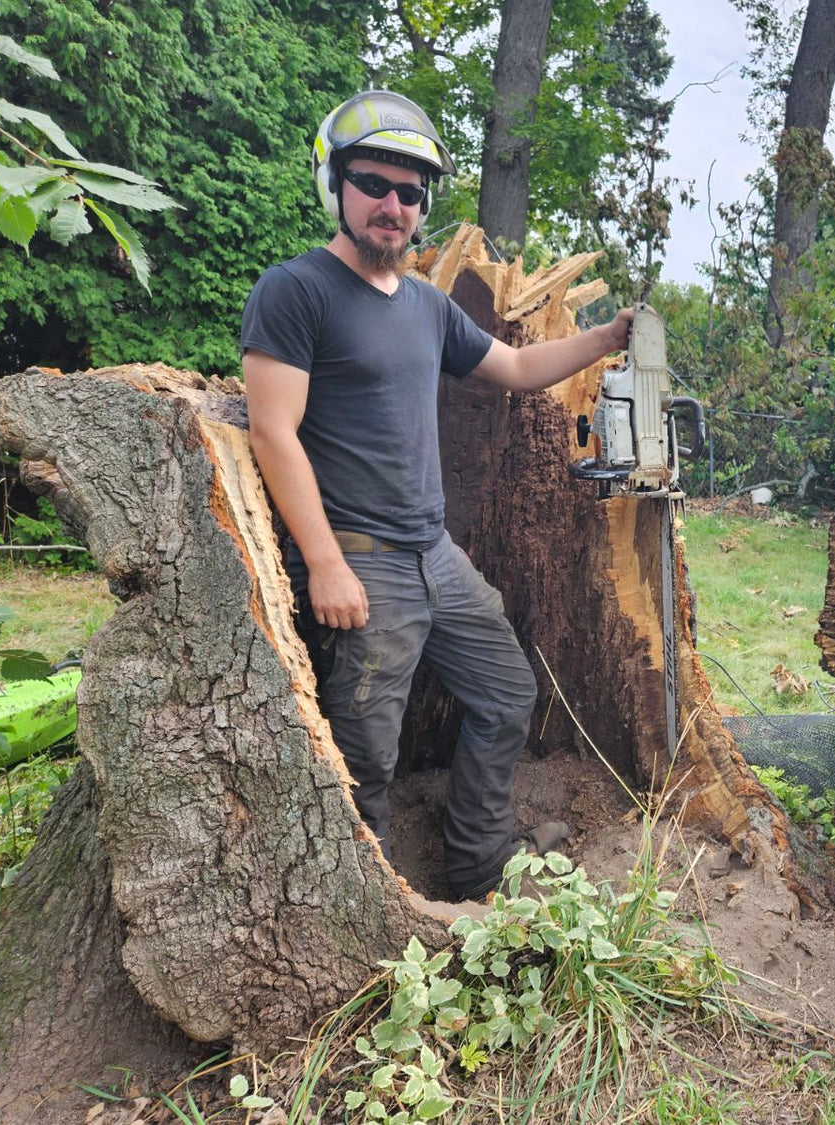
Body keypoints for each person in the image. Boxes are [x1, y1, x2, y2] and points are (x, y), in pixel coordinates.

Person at [239, 90, 632, 901]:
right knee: (363, 753)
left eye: (411, 192)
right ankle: (372, 910)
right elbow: (273, 432)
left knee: (505, 691)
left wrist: (605, 337)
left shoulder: (425, 304)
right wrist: (324, 563)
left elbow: (517, 370)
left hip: (435, 557)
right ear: (334, 184)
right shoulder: (295, 291)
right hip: (363, 562)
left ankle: (476, 874)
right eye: (373, 183)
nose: (392, 205)